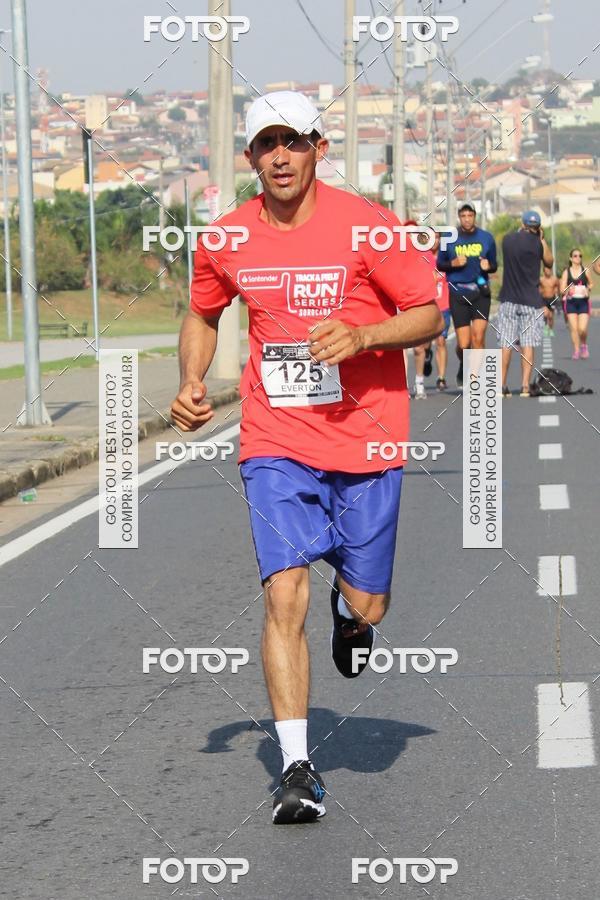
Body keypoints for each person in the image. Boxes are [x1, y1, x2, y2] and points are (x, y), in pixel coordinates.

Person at [170, 91, 442, 825]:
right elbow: (202, 311)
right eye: (266, 144)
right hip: (276, 440)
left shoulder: (369, 228)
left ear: (319, 147)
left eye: (293, 141)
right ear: (252, 156)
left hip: (367, 435)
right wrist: (192, 380)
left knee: (368, 601)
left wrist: (363, 337)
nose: (280, 155)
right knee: (279, 593)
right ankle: (298, 767)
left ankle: (349, 613)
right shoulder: (226, 238)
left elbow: (428, 311)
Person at [436, 202, 497, 387]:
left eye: (470, 216)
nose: (467, 219)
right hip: (458, 293)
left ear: (475, 217)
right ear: (459, 217)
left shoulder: (486, 237)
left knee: (478, 337)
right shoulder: (449, 238)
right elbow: (440, 264)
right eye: (463, 216)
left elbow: (495, 264)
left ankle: (474, 379)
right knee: (464, 344)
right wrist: (452, 264)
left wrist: (489, 266)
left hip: (480, 292)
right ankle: (464, 362)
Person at [497, 210, 554, 397]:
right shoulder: (538, 244)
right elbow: (549, 262)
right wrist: (542, 240)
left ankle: (501, 386)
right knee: (527, 344)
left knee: (506, 344)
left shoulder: (507, 240)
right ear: (538, 228)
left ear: (522, 224)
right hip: (531, 301)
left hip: (508, 299)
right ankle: (524, 386)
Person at [560, 249, 593, 359]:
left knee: (582, 329)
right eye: (575, 256)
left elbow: (591, 284)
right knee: (574, 329)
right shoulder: (566, 272)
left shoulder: (585, 271)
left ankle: (583, 345)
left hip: (583, 302)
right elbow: (562, 289)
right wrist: (569, 289)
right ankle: (577, 350)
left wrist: (587, 289)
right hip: (571, 302)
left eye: (580, 255)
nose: (578, 257)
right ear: (571, 258)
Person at [539, 266, 560, 337]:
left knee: (551, 316)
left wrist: (557, 291)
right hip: (544, 299)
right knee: (545, 314)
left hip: (552, 299)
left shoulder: (555, 279)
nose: (548, 271)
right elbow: (538, 288)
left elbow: (558, 286)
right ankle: (545, 327)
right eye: (546, 270)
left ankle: (550, 329)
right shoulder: (541, 279)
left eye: (549, 270)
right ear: (544, 271)